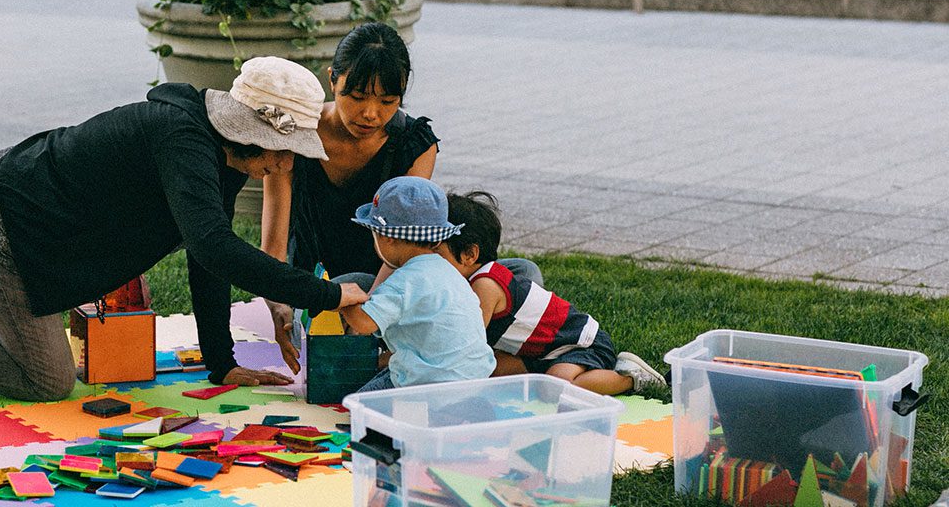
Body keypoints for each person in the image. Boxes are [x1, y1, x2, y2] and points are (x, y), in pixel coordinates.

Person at [0, 57, 369, 401]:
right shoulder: (184, 141)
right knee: (46, 379)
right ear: (253, 134)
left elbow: (205, 256)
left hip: (11, 217)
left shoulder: (211, 151)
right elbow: (215, 247)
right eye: (283, 149)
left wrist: (221, 362)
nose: (287, 164)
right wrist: (325, 293)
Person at [260, 23, 442, 373]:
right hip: (316, 288)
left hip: (385, 291)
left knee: (510, 277)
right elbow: (274, 247)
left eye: (388, 101)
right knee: (344, 290)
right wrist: (279, 304)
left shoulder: (415, 144)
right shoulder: (293, 134)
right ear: (332, 80)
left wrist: (372, 315)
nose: (371, 114)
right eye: (356, 97)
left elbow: (405, 252)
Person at [438, 191, 666, 394]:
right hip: (538, 354)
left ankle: (630, 377)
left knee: (557, 387)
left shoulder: (485, 285)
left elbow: (468, 341)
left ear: (470, 254)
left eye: (437, 253)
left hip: (579, 344)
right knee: (493, 374)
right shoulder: (472, 279)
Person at [336, 177, 496, 392]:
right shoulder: (448, 272)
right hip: (475, 381)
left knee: (356, 406)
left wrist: (344, 299)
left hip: (428, 387)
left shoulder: (405, 280)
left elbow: (364, 324)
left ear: (387, 238)